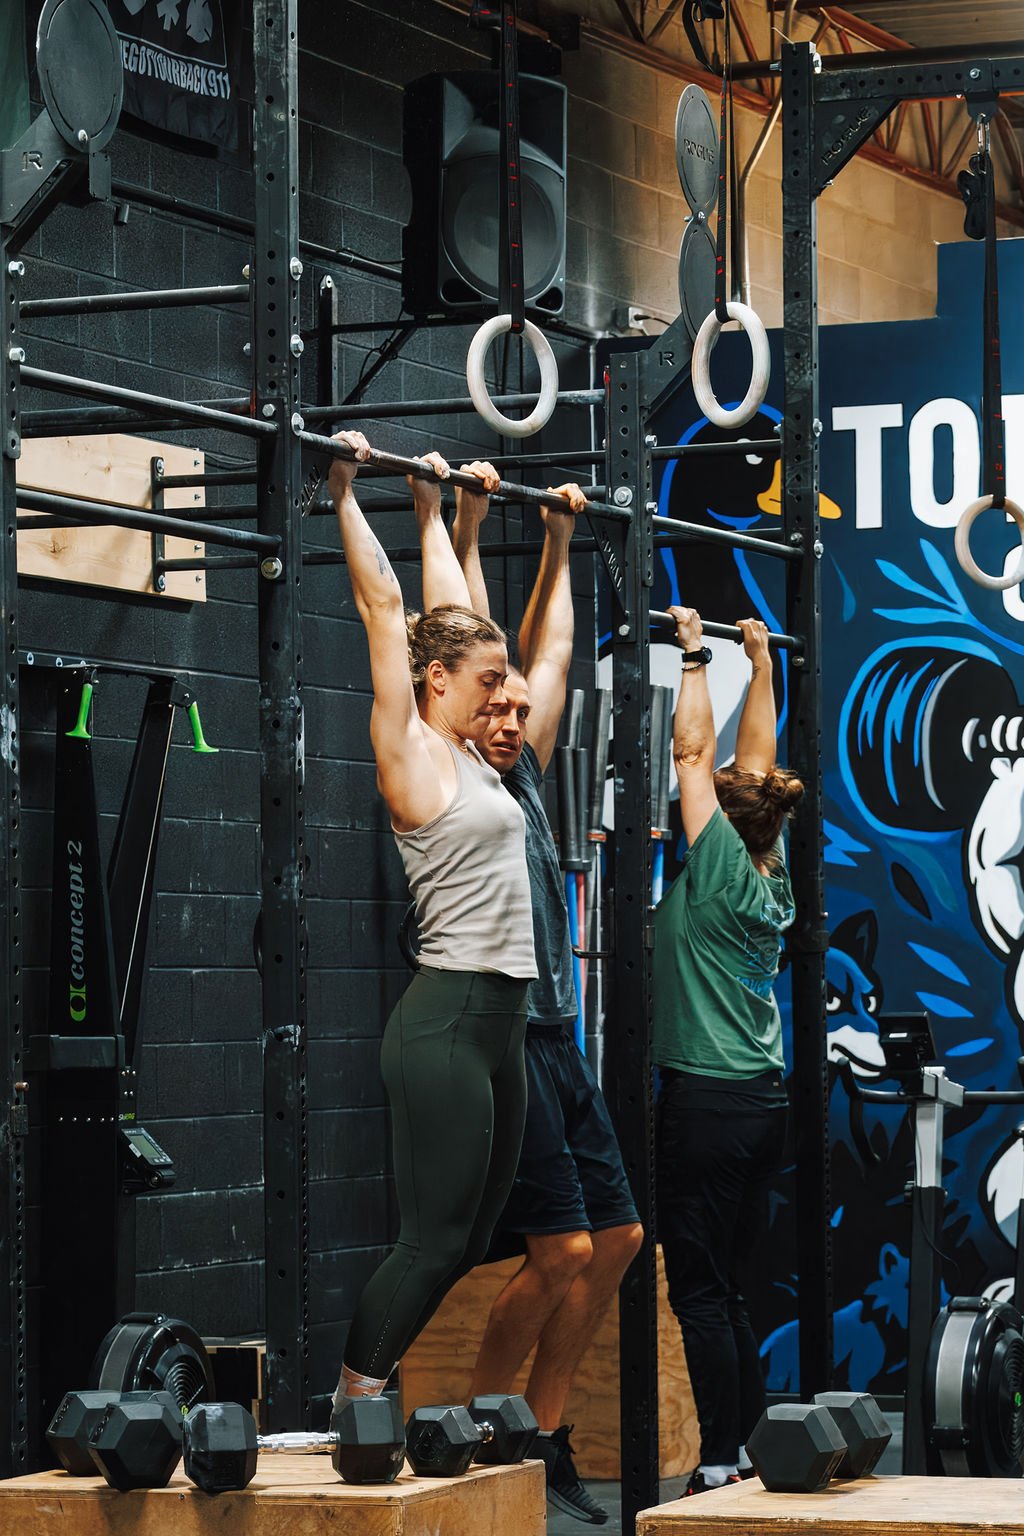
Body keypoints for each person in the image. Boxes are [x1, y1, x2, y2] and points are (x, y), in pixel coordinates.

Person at [417, 459, 643, 1524]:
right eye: (492, 706)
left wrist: (556, 542)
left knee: (619, 1243)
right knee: (559, 1251)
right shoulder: (449, 775)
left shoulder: (526, 773)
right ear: (458, 713)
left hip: (560, 1040)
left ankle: (540, 1437)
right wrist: (455, 520)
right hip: (504, 1040)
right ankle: (487, 1435)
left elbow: (537, 655)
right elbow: (461, 636)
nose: (509, 717)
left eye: (517, 711)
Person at [326, 432, 537, 1408]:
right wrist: (345, 490)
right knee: (430, 1238)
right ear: (437, 684)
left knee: (469, 1240)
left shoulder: (476, 752)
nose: (506, 698)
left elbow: (463, 624)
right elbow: (391, 614)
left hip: (502, 1030)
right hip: (447, 1020)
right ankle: (355, 1403)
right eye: (486, 683)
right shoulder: (413, 751)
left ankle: (368, 1396)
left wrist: (443, 513)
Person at [652, 606, 803, 1496]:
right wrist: (764, 667)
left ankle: (714, 1460)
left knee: (700, 1296)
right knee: (732, 1291)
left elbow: (693, 759)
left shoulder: (712, 864)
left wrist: (698, 654)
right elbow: (753, 771)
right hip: (761, 1108)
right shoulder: (767, 867)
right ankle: (746, 1449)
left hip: (706, 1107)